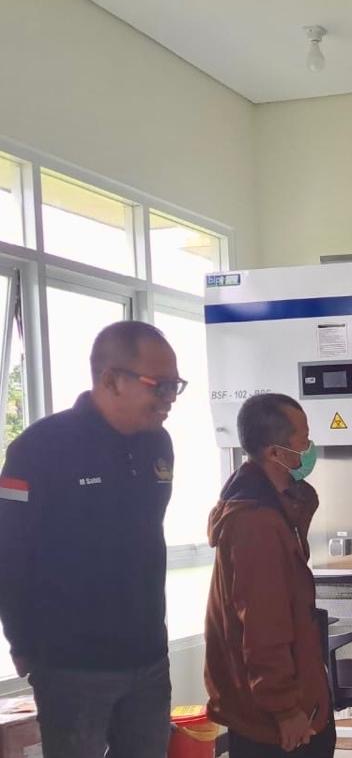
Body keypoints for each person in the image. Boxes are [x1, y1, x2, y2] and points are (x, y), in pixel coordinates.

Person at [0, 321, 181, 758]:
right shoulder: (40, 448)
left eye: (175, 386)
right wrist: (21, 642)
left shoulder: (158, 444)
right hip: (71, 665)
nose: (170, 398)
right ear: (111, 380)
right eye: (159, 385)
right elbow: (9, 553)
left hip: (148, 656)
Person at [204, 393, 332, 758]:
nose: (309, 448)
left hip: (295, 696)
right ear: (276, 452)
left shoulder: (275, 508)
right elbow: (263, 625)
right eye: (303, 439)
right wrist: (285, 709)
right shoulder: (256, 524)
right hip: (275, 719)